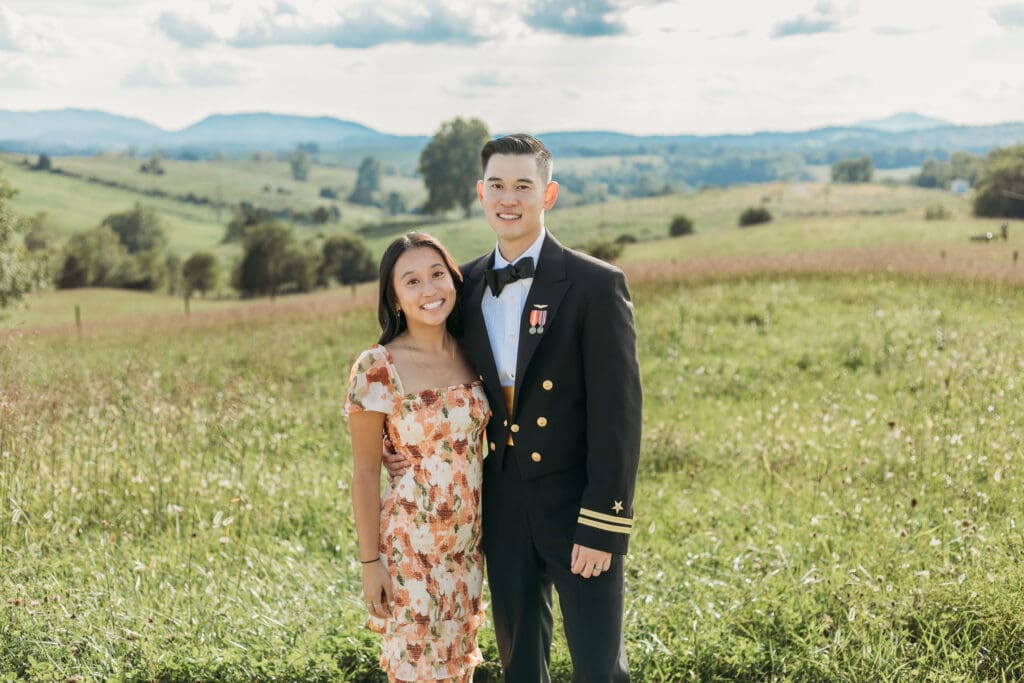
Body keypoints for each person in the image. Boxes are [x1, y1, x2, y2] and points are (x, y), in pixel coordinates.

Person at [387, 133, 642, 681]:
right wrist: (395, 445)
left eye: (523, 185)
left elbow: (618, 415)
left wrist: (603, 524)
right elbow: (421, 364)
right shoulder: (465, 285)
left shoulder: (596, 284)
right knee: (520, 666)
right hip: (500, 502)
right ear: (481, 194)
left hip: (577, 503)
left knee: (600, 669)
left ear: (548, 195)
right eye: (497, 185)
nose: (509, 197)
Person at [344, 232, 491, 683]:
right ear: (395, 297)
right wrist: (372, 565)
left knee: (457, 670)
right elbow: (367, 473)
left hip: (468, 548)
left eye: (436, 274)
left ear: (454, 279)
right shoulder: (378, 366)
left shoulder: (476, 350)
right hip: (411, 549)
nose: (429, 290)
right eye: (412, 281)